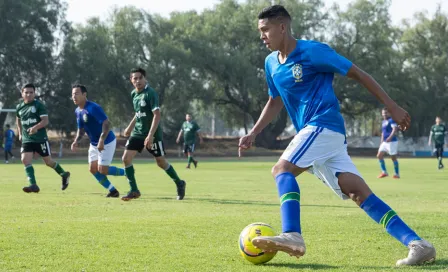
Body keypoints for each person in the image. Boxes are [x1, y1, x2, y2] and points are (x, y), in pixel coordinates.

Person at [238, 5, 436, 266]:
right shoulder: (271, 62)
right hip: (319, 136)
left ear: (282, 27)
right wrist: (254, 131)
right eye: (260, 31)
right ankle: (418, 244)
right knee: (357, 192)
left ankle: (292, 234)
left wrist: (392, 106)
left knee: (281, 169)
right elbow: (274, 100)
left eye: (265, 30)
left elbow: (358, 73)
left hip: (323, 125)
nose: (262, 36)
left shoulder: (313, 51)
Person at [121, 67, 186, 201]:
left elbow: (157, 115)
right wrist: (129, 127)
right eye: (135, 78)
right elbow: (138, 113)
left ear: (145, 79)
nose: (138, 81)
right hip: (138, 132)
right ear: (131, 80)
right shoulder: (134, 94)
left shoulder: (151, 93)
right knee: (126, 158)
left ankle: (179, 182)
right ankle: (134, 190)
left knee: (160, 162)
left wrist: (150, 135)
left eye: (140, 78)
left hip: (153, 134)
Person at [71, 84, 125, 197]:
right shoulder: (77, 111)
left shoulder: (93, 108)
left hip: (107, 141)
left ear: (84, 94)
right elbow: (80, 129)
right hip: (94, 143)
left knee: (102, 170)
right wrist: (76, 141)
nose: (74, 96)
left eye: (76, 93)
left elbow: (106, 123)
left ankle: (127, 172)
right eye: (72, 94)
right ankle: (113, 191)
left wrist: (101, 140)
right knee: (93, 169)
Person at [16, 83, 70, 193]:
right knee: (25, 160)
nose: (29, 94)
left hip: (40, 139)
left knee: (48, 162)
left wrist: (36, 127)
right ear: (22, 94)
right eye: (26, 92)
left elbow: (45, 121)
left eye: (31, 92)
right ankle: (33, 185)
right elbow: (18, 119)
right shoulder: (19, 107)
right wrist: (20, 133)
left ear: (35, 93)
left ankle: (64, 174)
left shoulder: (39, 106)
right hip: (27, 139)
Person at [377, 108, 400, 178]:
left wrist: (390, 137)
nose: (384, 114)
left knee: (393, 158)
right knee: (379, 155)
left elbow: (394, 129)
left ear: (389, 113)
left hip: (392, 142)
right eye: (383, 113)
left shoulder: (391, 120)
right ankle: (384, 172)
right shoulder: (383, 121)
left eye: (386, 113)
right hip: (384, 142)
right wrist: (381, 142)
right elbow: (383, 133)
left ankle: (397, 174)